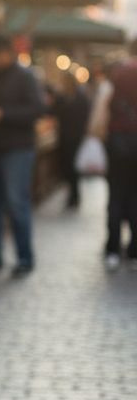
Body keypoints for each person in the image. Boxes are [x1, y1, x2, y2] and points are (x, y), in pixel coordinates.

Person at [0, 33, 45, 277]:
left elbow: (37, 109)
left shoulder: (26, 76)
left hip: (18, 149)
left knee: (17, 203)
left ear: (7, 53)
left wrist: (3, 114)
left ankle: (25, 258)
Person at [89, 42, 137, 269]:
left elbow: (102, 112)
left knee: (116, 196)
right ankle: (135, 249)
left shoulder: (118, 74)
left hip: (118, 144)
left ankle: (113, 249)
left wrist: (100, 135)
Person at [51, 70, 90, 209]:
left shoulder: (80, 97)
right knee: (66, 165)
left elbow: (86, 115)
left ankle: (74, 194)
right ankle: (72, 193)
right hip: (64, 135)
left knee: (73, 165)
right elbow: (53, 112)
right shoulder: (61, 97)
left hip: (76, 136)